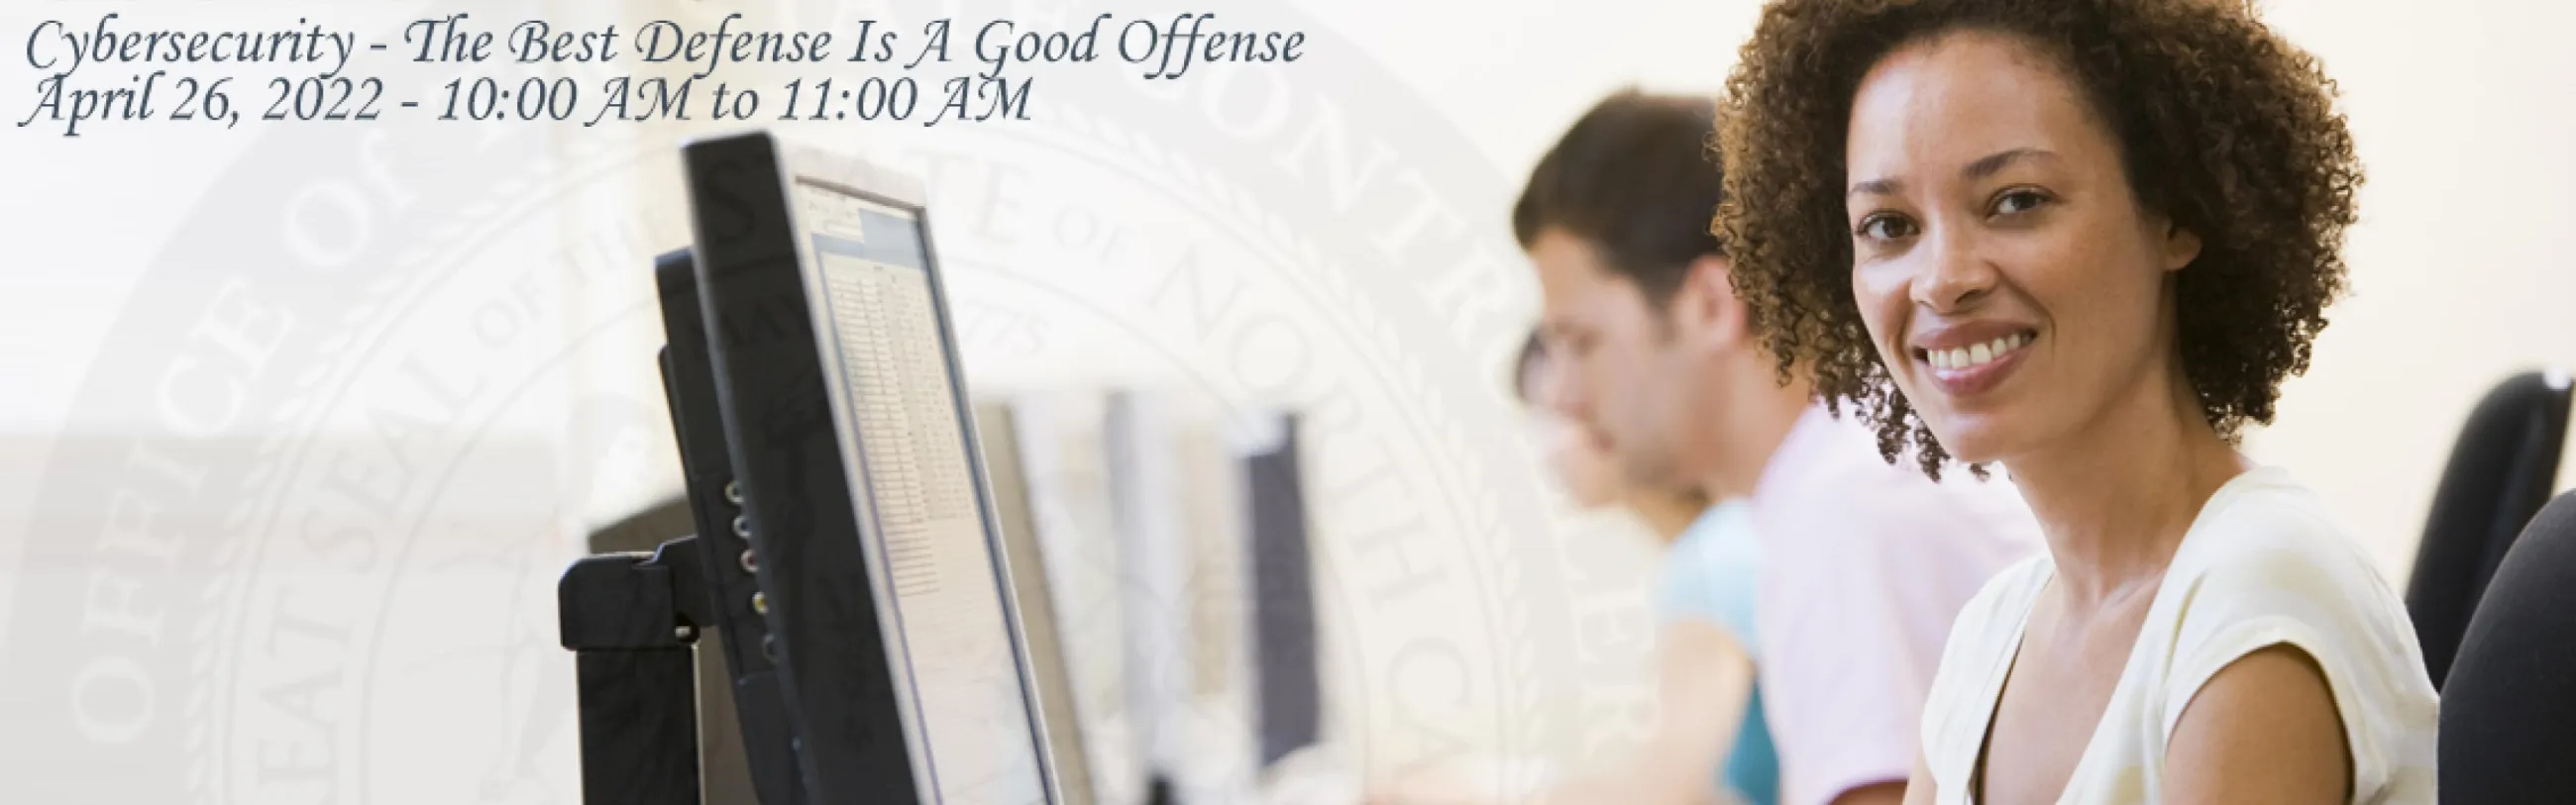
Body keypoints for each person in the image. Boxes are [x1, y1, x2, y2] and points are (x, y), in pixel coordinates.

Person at [1710, 2, 2439, 803]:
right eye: (1889, 225)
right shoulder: (1991, 638)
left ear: (2177, 215)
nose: (1943, 278)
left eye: (2016, 200)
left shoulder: (2257, 598)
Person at [1520, 90, 2040, 805]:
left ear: (1708, 303)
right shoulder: (1836, 479)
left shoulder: (1847, 508)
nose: (1565, 396)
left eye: (1582, 342)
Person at [1516, 328, 1781, 805]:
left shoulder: (1714, 559)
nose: (1549, 451)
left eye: (1559, 419)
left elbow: (1669, 793)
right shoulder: (1727, 539)